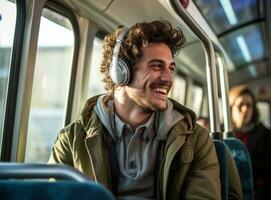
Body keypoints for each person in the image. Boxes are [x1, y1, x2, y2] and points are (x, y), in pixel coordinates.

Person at [48, 20, 221, 199]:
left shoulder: (195, 141)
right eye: (156, 66)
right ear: (121, 71)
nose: (168, 78)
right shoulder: (71, 140)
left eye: (171, 68)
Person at [229, 85, 271, 200]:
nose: (245, 109)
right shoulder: (221, 133)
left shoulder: (266, 135)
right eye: (241, 105)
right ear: (231, 108)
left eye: (249, 105)